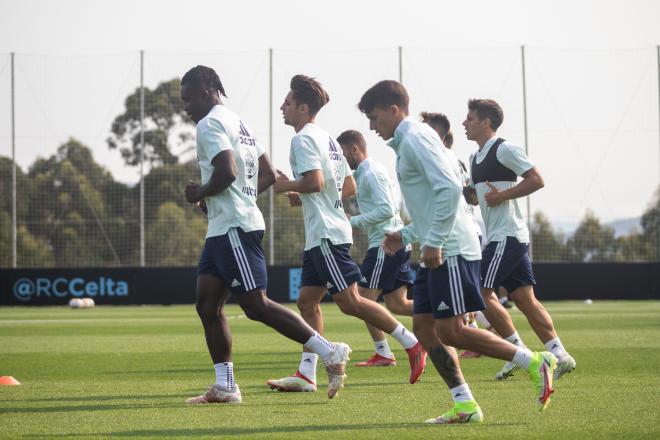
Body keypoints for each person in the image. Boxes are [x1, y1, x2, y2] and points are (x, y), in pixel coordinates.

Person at [358, 80, 558, 424]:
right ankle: (464, 404)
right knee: (423, 327)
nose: (372, 127)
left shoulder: (416, 137)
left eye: (374, 118)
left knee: (450, 331)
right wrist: (404, 234)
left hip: (450, 249)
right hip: (436, 247)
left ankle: (535, 361)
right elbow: (430, 202)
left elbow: (449, 189)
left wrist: (434, 241)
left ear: (394, 110)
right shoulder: (408, 142)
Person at [180, 65, 351, 403]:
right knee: (208, 304)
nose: (186, 108)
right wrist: (229, 197)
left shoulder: (210, 123)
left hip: (234, 227)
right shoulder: (237, 121)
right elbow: (269, 174)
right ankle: (226, 386)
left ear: (204, 92)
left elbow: (227, 171)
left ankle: (330, 351)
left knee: (256, 305)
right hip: (224, 227)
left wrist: (199, 192)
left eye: (188, 100)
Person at [268, 75, 426, 393]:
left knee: (351, 301)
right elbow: (347, 185)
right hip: (322, 234)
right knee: (306, 301)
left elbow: (315, 182)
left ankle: (412, 343)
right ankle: (307, 374)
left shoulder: (302, 140)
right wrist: (311, 196)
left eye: (287, 102)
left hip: (326, 234)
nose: (281, 107)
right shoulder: (325, 138)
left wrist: (286, 185)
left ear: (302, 107)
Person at [462, 99, 576, 380]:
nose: (465, 123)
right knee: (525, 300)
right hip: (504, 237)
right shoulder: (474, 158)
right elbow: (481, 198)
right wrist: (469, 195)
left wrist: (501, 196)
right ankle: (561, 356)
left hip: (507, 236)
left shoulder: (505, 149)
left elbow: (537, 179)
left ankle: (518, 353)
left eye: (470, 118)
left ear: (486, 122)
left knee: (479, 292)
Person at [336, 129, 414, 367]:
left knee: (363, 302)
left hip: (385, 244)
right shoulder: (366, 173)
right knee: (398, 304)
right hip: (394, 240)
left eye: (341, 154)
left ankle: (385, 352)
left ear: (354, 149)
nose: (340, 160)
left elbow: (387, 209)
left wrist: (354, 221)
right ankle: (453, 309)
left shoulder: (370, 173)